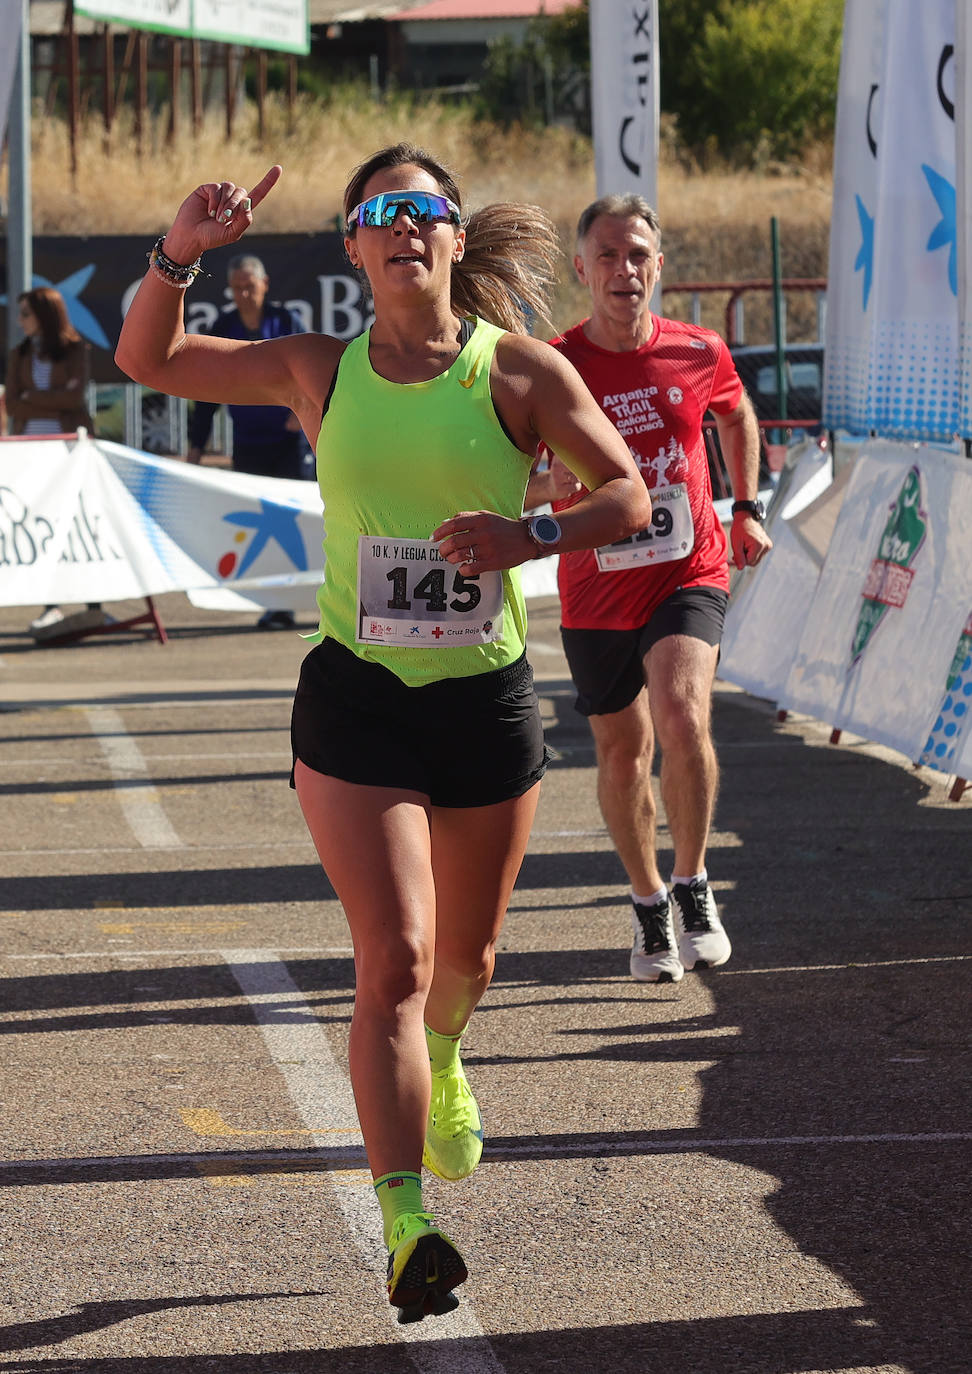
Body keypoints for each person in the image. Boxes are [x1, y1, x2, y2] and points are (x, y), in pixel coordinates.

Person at [115, 144, 650, 1321]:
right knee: (394, 961)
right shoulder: (316, 368)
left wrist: (531, 540)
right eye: (379, 213)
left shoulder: (519, 371)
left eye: (425, 210)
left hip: (484, 702)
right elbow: (145, 357)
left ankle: (449, 1053)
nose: (404, 226)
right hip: (356, 700)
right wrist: (179, 252)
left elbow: (627, 495)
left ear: (456, 237)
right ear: (354, 246)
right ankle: (407, 1223)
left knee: (467, 964)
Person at [532, 193, 772, 986]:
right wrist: (547, 482)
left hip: (687, 568)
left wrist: (746, 505)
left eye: (638, 254)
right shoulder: (552, 365)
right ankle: (647, 902)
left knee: (681, 713)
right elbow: (511, 475)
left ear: (657, 267)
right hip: (597, 588)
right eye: (607, 254)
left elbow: (736, 415)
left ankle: (694, 880)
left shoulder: (698, 351)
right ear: (581, 269)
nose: (623, 269)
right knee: (622, 750)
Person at [186, 252, 313, 630]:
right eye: (237, 287)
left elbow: (314, 371)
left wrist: (301, 413)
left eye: (250, 286)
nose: (244, 293)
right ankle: (275, 605)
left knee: (297, 522)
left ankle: (310, 597)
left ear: (264, 285)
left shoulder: (287, 321)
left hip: (291, 445)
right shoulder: (222, 326)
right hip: (248, 444)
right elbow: (205, 392)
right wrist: (195, 447)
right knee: (261, 528)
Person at [6, 287, 111, 642]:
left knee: (79, 524)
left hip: (69, 454)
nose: (20, 321)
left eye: (25, 313)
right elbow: (13, 406)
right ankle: (51, 603)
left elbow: (73, 397)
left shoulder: (75, 349)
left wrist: (30, 397)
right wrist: (43, 401)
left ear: (44, 314)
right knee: (43, 524)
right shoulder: (18, 354)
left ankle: (94, 606)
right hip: (31, 451)